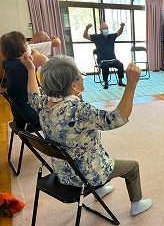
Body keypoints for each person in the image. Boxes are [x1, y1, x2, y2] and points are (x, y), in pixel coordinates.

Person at [21, 53, 153, 216]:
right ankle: (137, 205)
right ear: (74, 86)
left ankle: (101, 189)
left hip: (62, 172)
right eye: (80, 76)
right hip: (87, 175)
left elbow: (32, 94)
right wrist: (131, 85)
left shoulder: (42, 103)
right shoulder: (77, 111)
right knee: (132, 167)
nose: (83, 78)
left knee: (96, 149)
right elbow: (117, 119)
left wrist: (30, 69)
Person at [1, 31, 47, 129]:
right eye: (25, 42)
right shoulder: (22, 64)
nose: (27, 43)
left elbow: (35, 55)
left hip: (20, 116)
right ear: (21, 46)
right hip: (32, 117)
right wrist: (31, 51)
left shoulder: (7, 62)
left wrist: (30, 51)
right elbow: (43, 59)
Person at [83, 22, 126, 89]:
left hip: (112, 59)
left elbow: (119, 33)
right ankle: (106, 82)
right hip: (102, 60)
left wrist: (122, 27)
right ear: (100, 30)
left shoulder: (111, 36)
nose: (105, 30)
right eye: (103, 29)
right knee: (105, 66)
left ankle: (120, 81)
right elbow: (85, 36)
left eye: (106, 28)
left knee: (120, 65)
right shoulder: (96, 37)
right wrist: (87, 28)